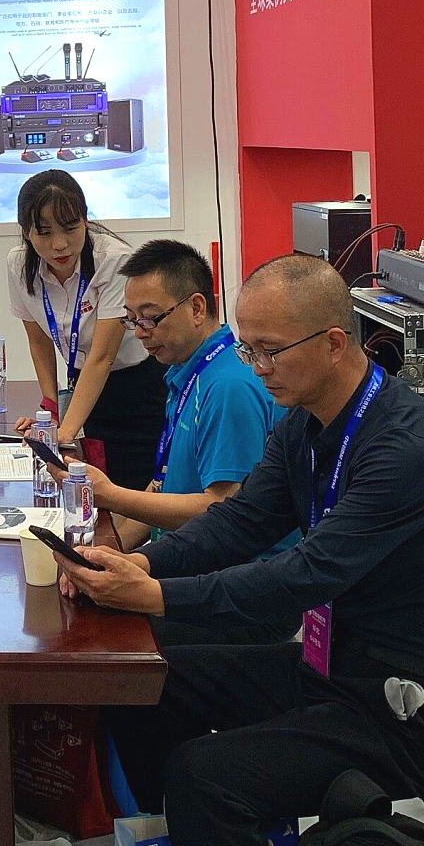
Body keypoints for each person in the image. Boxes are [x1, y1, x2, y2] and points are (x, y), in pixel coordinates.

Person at [57, 255, 424, 846]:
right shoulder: (307, 425)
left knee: (206, 775)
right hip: (333, 669)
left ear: (333, 343)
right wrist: (144, 564)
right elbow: (241, 523)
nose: (256, 367)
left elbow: (305, 573)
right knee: (140, 681)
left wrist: (159, 595)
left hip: (405, 711)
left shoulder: (407, 449)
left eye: (269, 351)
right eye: (247, 348)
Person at [86, 239, 296, 645]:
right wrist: (112, 555)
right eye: (131, 320)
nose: (140, 333)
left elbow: (224, 509)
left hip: (237, 595)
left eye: (151, 318)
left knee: (103, 640)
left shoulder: (228, 386)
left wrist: (109, 495)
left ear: (197, 308)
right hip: (188, 566)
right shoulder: (188, 373)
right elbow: (162, 485)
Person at [5, 170, 168, 491]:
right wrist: (50, 410)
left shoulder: (114, 260)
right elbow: (38, 341)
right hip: (83, 384)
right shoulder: (18, 264)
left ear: (85, 220)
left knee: (133, 493)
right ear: (26, 232)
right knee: (89, 488)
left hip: (137, 389)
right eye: (44, 233)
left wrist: (64, 432)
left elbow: (102, 357)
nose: (60, 244)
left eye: (70, 228)